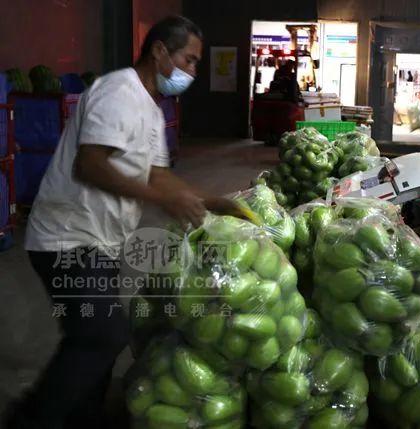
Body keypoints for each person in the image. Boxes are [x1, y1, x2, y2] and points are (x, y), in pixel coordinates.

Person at [4, 16, 242, 429]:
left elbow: (156, 173)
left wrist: (212, 200)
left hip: (100, 241)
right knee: (104, 334)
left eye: (197, 63)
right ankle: (30, 418)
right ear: (159, 51)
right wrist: (163, 199)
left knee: (97, 336)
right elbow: (90, 164)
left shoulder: (151, 108)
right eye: (189, 59)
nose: (193, 71)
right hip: (66, 238)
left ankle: (84, 416)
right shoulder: (118, 92)